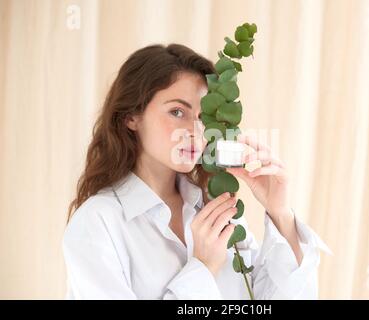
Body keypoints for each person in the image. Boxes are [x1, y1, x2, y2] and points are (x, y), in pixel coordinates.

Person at [62, 43, 332, 300]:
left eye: (204, 118)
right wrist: (202, 267)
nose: (195, 131)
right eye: (177, 112)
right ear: (132, 117)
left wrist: (280, 215)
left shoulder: (216, 211)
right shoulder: (98, 223)